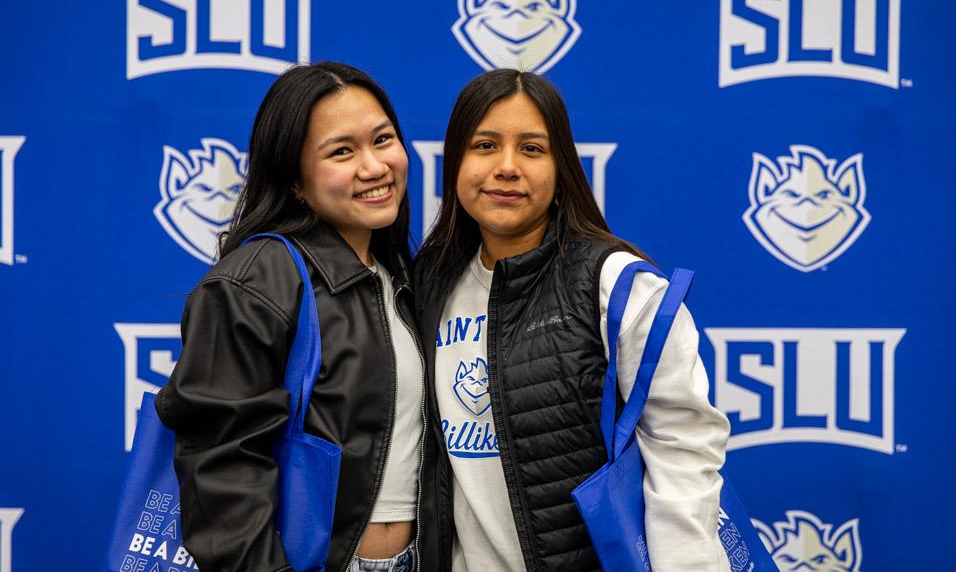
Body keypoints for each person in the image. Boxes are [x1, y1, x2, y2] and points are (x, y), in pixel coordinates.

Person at [414, 69, 730, 572]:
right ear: (454, 163)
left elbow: (683, 450)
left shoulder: (617, 286)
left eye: (533, 149)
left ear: (563, 168)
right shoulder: (426, 286)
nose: (507, 167)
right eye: (485, 145)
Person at [157, 62, 426, 572]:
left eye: (383, 139)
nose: (374, 166)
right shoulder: (255, 283)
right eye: (341, 151)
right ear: (296, 182)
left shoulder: (400, 277)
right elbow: (222, 476)